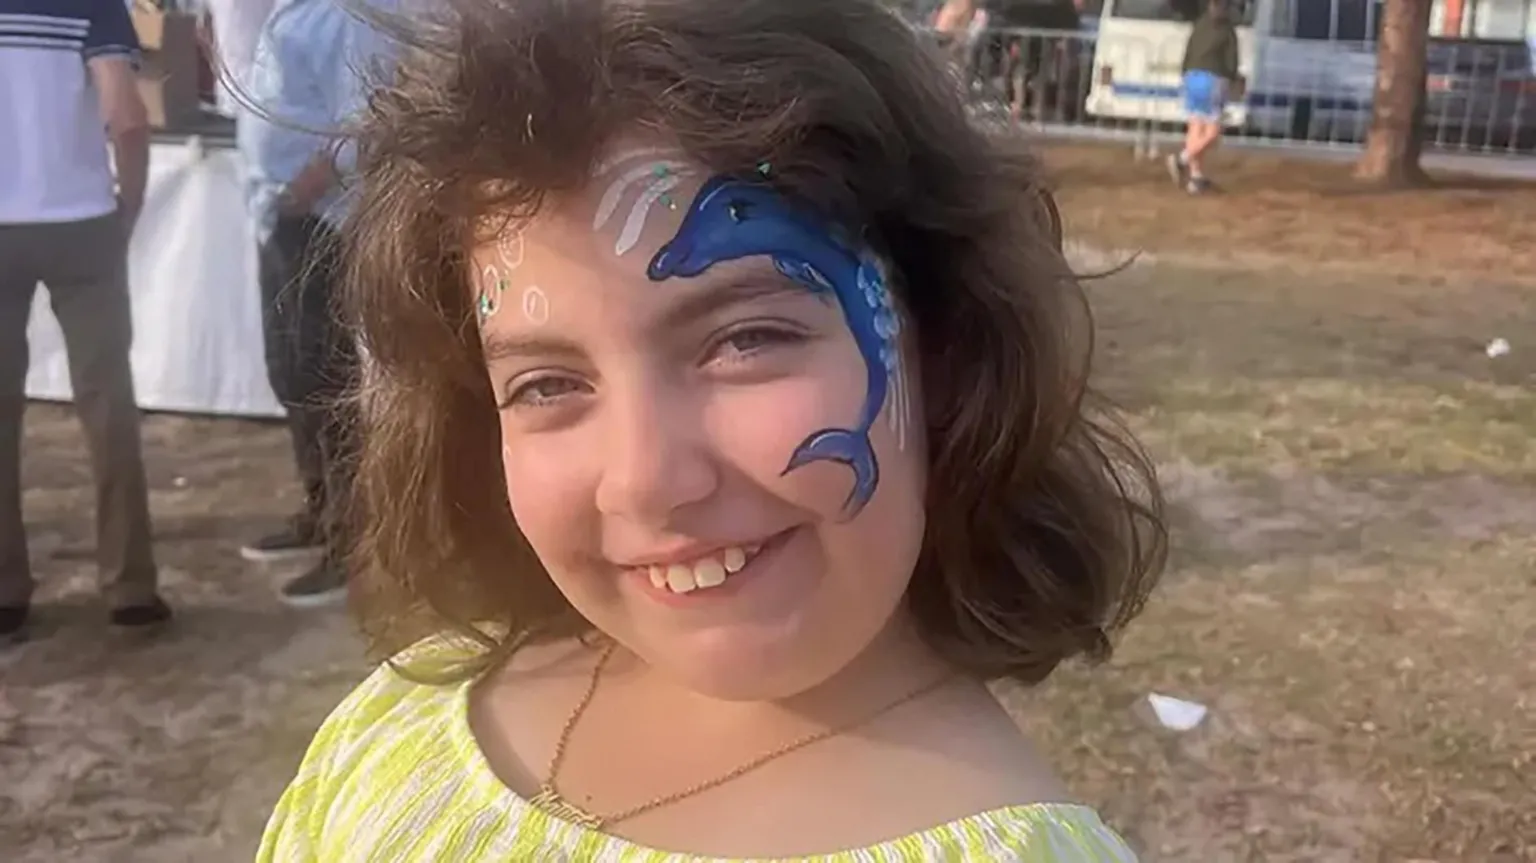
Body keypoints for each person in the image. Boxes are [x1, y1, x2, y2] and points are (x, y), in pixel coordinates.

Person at [258, 0, 1166, 859]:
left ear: (947, 343)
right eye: (547, 383)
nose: (646, 478)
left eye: (746, 338)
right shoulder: (403, 721)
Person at [0, 0, 171, 642]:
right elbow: (126, 119)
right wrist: (126, 206)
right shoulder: (92, 4)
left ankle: (6, 589)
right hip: (79, 221)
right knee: (107, 408)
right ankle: (130, 586)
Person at [236, 0, 386, 606]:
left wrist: (307, 186)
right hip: (283, 216)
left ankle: (352, 542)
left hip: (326, 221)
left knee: (325, 376)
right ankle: (320, 511)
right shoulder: (297, 9)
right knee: (292, 370)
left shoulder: (354, 13)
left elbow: (370, 117)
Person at [1167, 0, 1241, 195]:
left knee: (1195, 127)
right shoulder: (1228, 30)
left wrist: (1184, 74)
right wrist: (1232, 80)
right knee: (1212, 132)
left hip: (1191, 77)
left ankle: (1196, 177)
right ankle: (1181, 160)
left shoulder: (1199, 24)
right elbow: (1231, 62)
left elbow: (1188, 50)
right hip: (1212, 80)